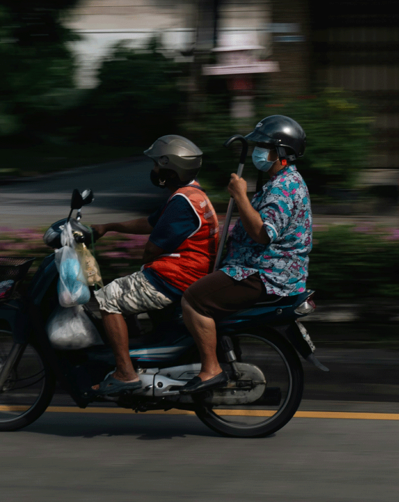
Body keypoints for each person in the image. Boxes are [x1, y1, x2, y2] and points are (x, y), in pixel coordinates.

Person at [179, 115, 312, 395]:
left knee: (193, 299)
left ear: (282, 152)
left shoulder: (283, 188)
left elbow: (263, 233)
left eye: (264, 146)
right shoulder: (282, 181)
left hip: (264, 274)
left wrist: (240, 196)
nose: (258, 153)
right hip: (261, 268)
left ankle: (210, 369)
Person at [87, 135, 219, 396]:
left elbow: (151, 249)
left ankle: (125, 373)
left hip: (175, 278)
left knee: (107, 298)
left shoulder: (182, 202)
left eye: (158, 165)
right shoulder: (192, 195)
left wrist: (146, 263)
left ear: (171, 169)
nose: (154, 171)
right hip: (189, 273)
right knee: (127, 287)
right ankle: (135, 351)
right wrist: (108, 227)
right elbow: (149, 223)